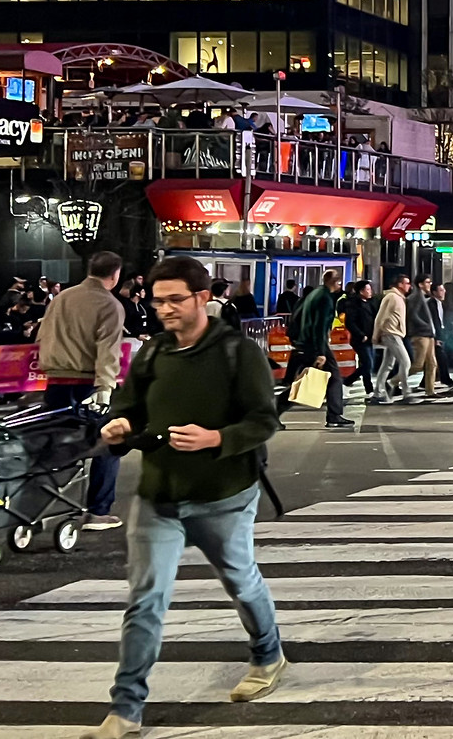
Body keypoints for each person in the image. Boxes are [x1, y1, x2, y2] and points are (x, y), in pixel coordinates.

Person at [86, 254, 286, 739]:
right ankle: (126, 709)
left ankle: (268, 654)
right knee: (145, 600)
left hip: (223, 494)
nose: (165, 310)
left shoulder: (239, 353)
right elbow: (130, 408)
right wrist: (119, 426)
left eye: (175, 299)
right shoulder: (153, 353)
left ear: (202, 298)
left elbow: (265, 420)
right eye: (158, 302)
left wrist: (215, 439)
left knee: (240, 580)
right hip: (159, 494)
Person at [37, 250, 128, 530]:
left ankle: (39, 507)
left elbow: (42, 336)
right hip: (87, 383)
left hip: (56, 382)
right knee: (109, 443)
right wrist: (105, 387)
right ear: (115, 275)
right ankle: (98, 511)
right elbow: (107, 351)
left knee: (56, 447)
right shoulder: (109, 305)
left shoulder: (61, 298)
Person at [280, 271, 353, 429]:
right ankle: (334, 415)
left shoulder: (315, 294)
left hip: (305, 341)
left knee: (306, 380)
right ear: (335, 282)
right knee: (326, 378)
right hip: (313, 344)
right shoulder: (325, 298)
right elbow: (319, 326)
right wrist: (320, 352)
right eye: (339, 282)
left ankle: (334, 414)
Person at [372, 271, 414, 404]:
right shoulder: (392, 297)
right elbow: (381, 316)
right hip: (391, 333)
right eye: (407, 283)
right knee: (405, 361)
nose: (409, 286)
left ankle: (378, 393)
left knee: (387, 364)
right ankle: (406, 393)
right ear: (400, 284)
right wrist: (376, 334)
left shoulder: (398, 297)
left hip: (394, 333)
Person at [405, 273, 443, 397]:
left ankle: (430, 391)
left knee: (432, 363)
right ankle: (392, 381)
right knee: (418, 365)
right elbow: (413, 315)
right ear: (420, 284)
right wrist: (426, 325)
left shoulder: (423, 296)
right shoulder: (415, 297)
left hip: (428, 334)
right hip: (421, 334)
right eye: (427, 282)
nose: (429, 284)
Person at [342, 279, 377, 395]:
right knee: (368, 364)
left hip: (370, 338)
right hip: (360, 340)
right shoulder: (353, 304)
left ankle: (369, 390)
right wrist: (361, 335)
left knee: (366, 365)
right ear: (361, 291)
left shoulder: (370, 303)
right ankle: (347, 382)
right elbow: (350, 322)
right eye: (368, 289)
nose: (370, 291)